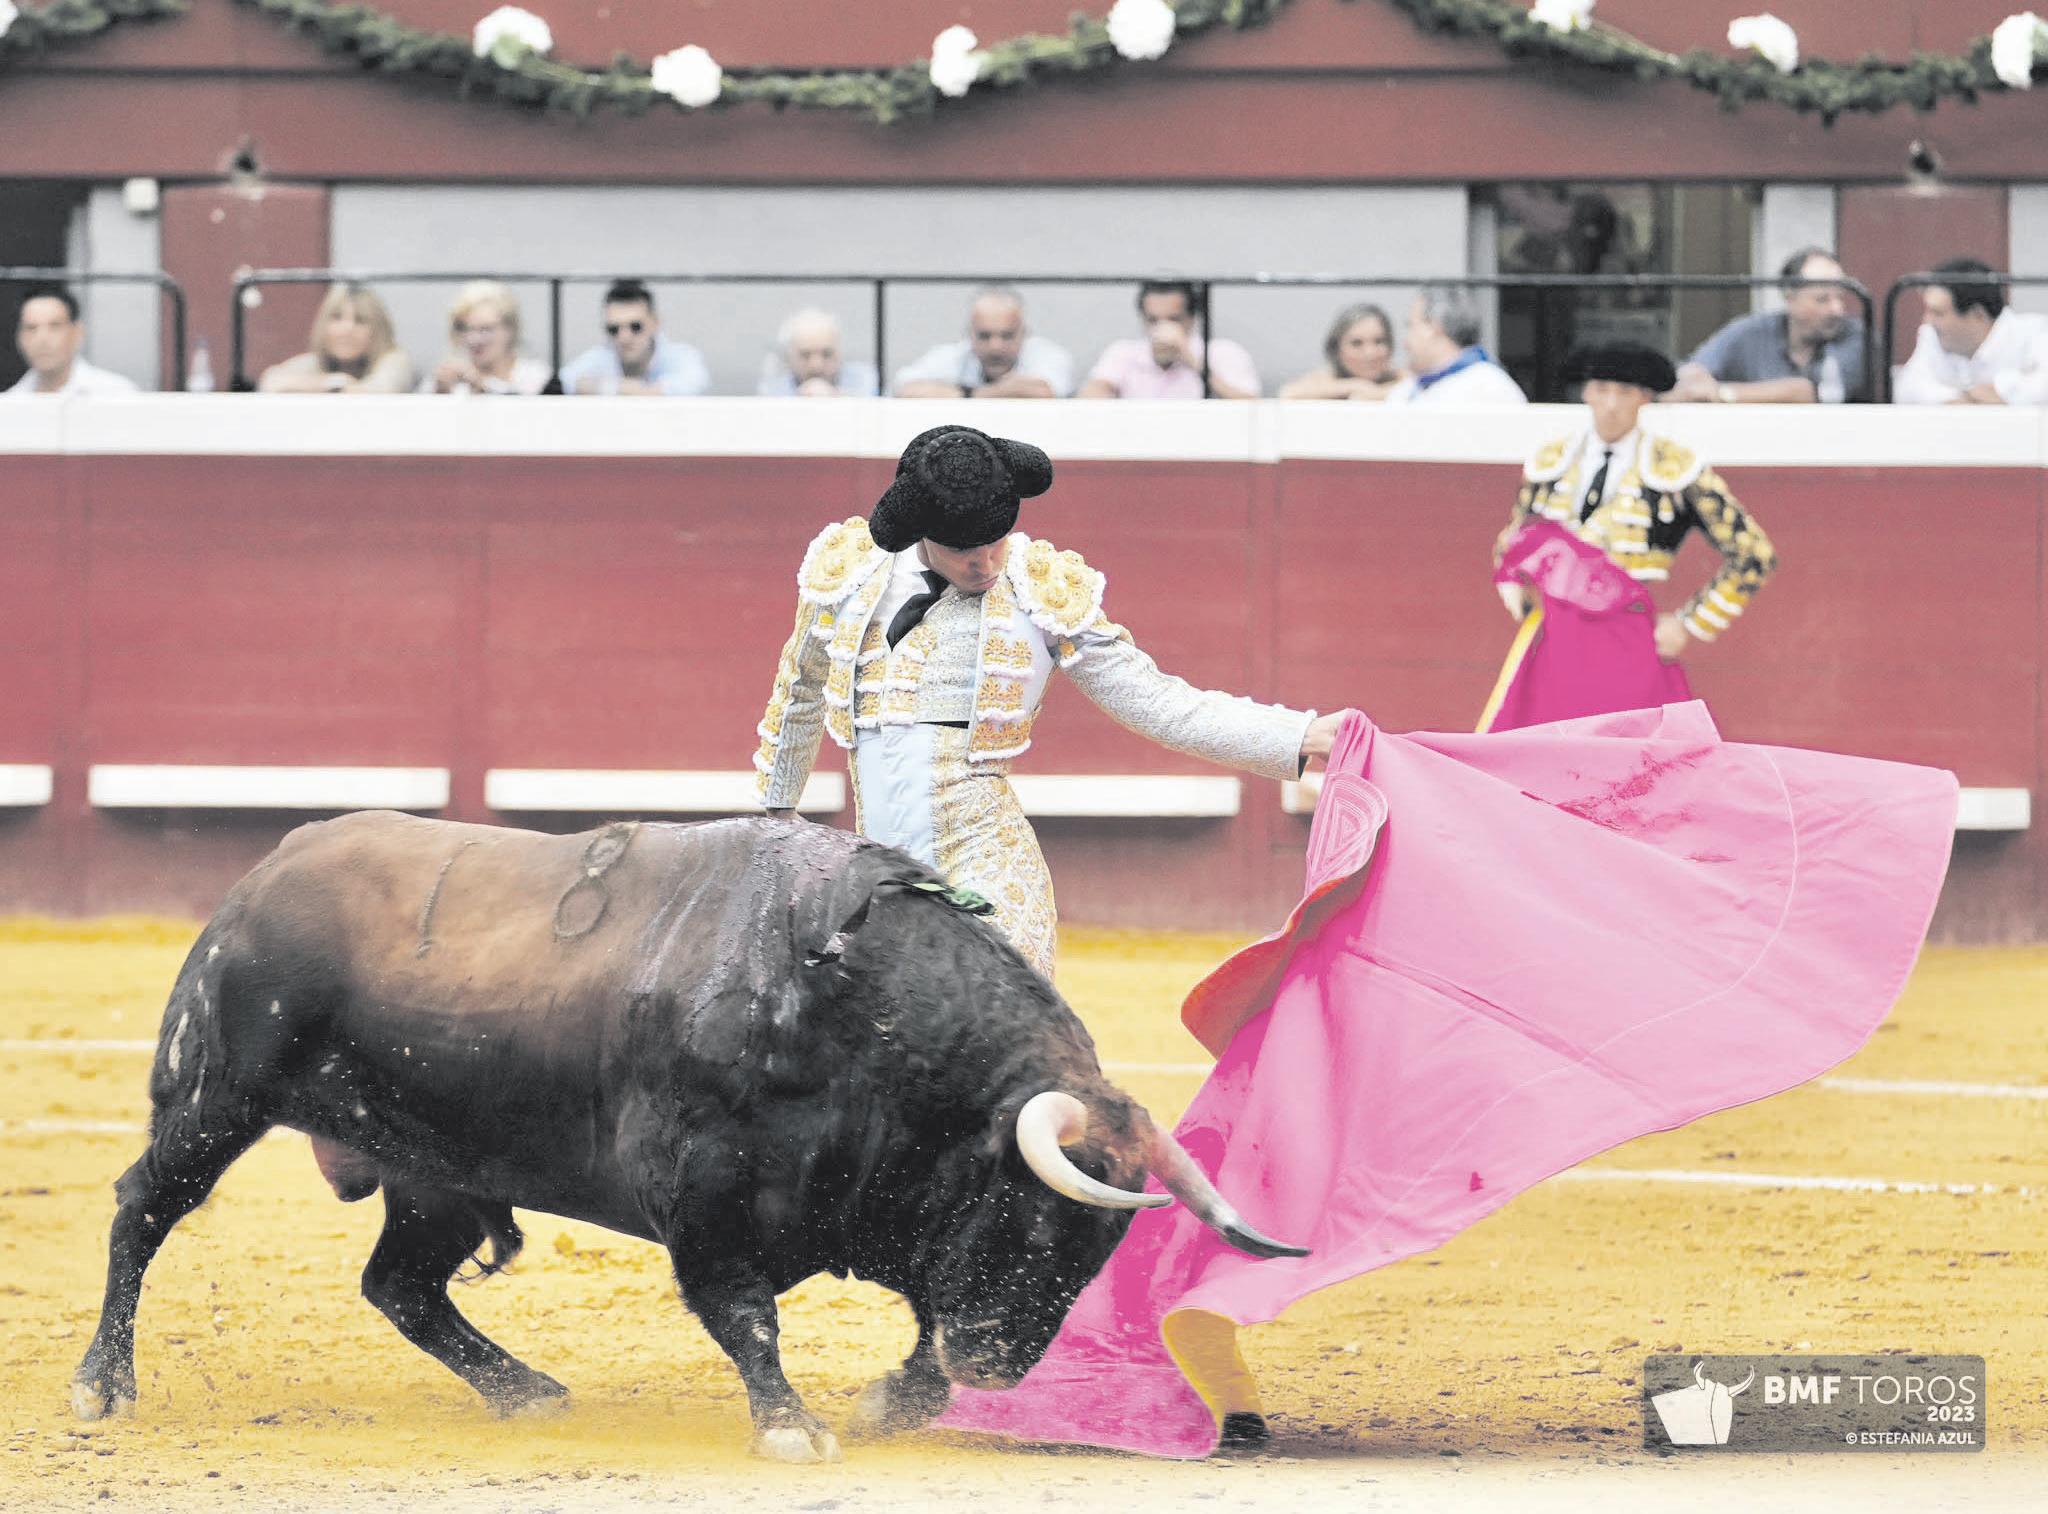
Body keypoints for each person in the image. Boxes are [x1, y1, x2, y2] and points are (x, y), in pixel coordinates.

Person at [753, 424, 1340, 983]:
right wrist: (776, 815)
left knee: (1000, 1035)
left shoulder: (1038, 587)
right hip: (876, 876)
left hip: (990, 870)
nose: (985, 563)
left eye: (996, 541)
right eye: (963, 550)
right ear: (918, 532)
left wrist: (1301, 736)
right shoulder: (851, 574)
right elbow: (799, 690)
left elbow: (1155, 700)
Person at [1479, 343, 1777, 732]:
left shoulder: (1674, 468)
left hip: (1628, 637)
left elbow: (1754, 553)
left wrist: (1688, 624)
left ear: (1644, 398)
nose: (1611, 404)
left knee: (1629, 755)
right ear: (1586, 392)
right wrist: (1519, 592)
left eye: (1624, 392)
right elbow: (1513, 542)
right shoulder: (1551, 461)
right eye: (1601, 389)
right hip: (1553, 637)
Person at [1667, 248, 1868, 404]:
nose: (1836, 309)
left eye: (1840, 297)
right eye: (1822, 299)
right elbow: (1694, 369)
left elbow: (1810, 393)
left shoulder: (1857, 337)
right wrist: (1693, 382)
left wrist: (1722, 394)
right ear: (1790, 297)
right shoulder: (1752, 331)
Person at [1893, 256, 2048, 405]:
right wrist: (1961, 397)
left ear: (1978, 315)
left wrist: (2001, 390)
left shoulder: (2035, 333)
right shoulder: (1932, 336)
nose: (1927, 321)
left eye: (1938, 313)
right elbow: (1906, 389)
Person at [1079, 281, 1259, 400]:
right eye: (1153, 320)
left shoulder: (1223, 353)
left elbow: (1251, 406)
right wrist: (1104, 388)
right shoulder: (1124, 352)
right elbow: (1088, 398)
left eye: (1173, 319)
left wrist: (1190, 358)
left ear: (1192, 318)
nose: (1162, 328)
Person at [892, 286, 1074, 398]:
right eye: (985, 336)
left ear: (1024, 334)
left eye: (1007, 336)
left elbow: (1043, 392)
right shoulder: (953, 355)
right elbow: (905, 389)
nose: (995, 347)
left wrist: (966, 394)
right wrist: (995, 392)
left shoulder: (1049, 355)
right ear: (969, 335)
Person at [559, 279, 711, 396]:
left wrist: (634, 391)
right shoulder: (603, 355)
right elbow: (564, 381)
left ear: (655, 323)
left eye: (635, 327)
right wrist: (619, 388)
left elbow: (694, 383)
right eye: (614, 329)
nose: (624, 337)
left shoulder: (681, 356)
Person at [257, 283, 415, 394]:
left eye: (360, 320)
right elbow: (270, 382)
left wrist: (337, 386)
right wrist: (332, 382)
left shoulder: (395, 360)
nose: (347, 329)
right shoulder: (315, 362)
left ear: (378, 330)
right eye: (337, 318)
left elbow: (382, 390)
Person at [1382, 287, 1526, 406]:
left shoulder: (1490, 387)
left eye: (1411, 326)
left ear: (1434, 327)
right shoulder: (1406, 390)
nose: (1405, 343)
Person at [421, 280, 552, 395]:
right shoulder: (447, 380)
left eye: (485, 329)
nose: (473, 339)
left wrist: (484, 391)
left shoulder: (535, 377)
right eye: (465, 329)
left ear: (510, 328)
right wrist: (441, 396)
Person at [7, 285, 139, 396]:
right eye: (31, 328)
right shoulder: (9, 402)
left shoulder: (118, 394)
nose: (42, 339)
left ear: (77, 333)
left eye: (55, 326)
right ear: (19, 337)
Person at [1276, 303, 1400, 402]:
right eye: (1357, 343)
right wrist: (1354, 386)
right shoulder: (1327, 378)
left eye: (1379, 341)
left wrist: (1376, 393)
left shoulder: (1400, 378)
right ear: (1336, 349)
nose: (1370, 353)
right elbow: (1288, 393)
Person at [757, 307, 880, 397]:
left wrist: (835, 397)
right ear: (789, 357)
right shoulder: (772, 389)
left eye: (827, 354)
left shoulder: (863, 379)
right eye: (805, 355)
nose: (816, 366)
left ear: (839, 353)